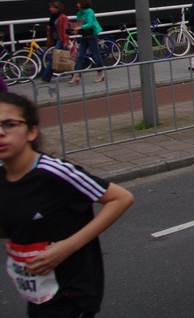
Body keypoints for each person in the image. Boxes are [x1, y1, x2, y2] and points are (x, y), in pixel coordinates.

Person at [0, 91, 134, 318]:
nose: (1, 132)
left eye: (10, 124)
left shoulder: (54, 172)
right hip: (39, 292)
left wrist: (66, 247)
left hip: (72, 292)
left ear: (31, 131)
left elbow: (120, 198)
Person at [70, 0, 105, 85]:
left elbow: (90, 23)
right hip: (84, 35)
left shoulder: (90, 11)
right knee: (79, 55)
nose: (77, 5)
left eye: (78, 3)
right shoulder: (79, 13)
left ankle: (101, 73)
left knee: (96, 55)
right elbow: (79, 23)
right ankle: (76, 76)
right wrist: (76, 28)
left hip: (92, 35)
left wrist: (80, 27)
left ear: (83, 3)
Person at [39, 0, 69, 83]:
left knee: (54, 58)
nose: (50, 9)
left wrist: (65, 41)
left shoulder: (63, 17)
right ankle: (76, 73)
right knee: (61, 58)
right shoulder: (53, 16)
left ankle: (45, 77)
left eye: (52, 7)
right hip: (55, 39)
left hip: (60, 39)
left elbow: (65, 30)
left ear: (57, 8)